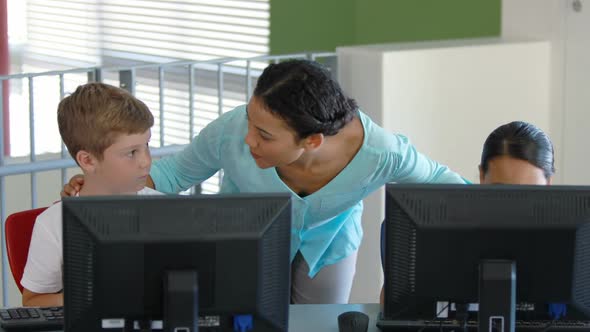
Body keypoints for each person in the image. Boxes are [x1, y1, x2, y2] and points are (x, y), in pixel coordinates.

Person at [63, 60, 466, 304]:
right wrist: (97, 183)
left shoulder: (381, 153)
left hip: (328, 243)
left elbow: (444, 185)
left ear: (311, 141)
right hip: (244, 238)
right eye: (251, 122)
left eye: (265, 135)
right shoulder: (230, 131)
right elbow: (171, 175)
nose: (247, 139)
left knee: (315, 325)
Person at [380, 120, 554, 305]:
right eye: (502, 191)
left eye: (529, 192)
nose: (515, 206)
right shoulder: (437, 225)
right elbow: (394, 306)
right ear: (481, 176)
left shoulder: (564, 237)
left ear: (548, 183)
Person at [21, 83, 162, 307]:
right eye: (131, 152)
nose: (146, 161)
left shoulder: (167, 209)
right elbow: (33, 300)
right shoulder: (53, 224)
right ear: (87, 160)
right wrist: (98, 298)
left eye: (146, 145)